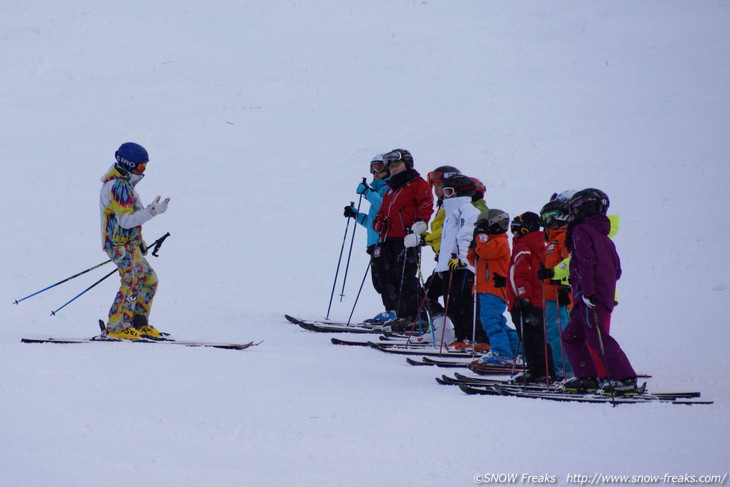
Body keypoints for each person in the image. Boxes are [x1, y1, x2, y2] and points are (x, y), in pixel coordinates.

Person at [561, 189, 637, 394]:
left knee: (596, 336)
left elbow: (586, 261)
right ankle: (587, 377)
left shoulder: (581, 231)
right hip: (597, 294)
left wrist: (588, 290)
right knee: (571, 335)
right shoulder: (604, 237)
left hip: (591, 295)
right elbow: (617, 269)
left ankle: (625, 378)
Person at [100, 142, 170, 340]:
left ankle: (138, 322)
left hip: (129, 244)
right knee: (131, 280)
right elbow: (125, 220)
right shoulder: (118, 186)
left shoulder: (126, 185)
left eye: (145, 166)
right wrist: (152, 211)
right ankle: (116, 326)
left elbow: (131, 220)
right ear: (128, 163)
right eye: (140, 166)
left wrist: (139, 240)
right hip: (118, 245)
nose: (143, 170)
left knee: (149, 280)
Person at [371, 149, 434, 330]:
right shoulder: (391, 189)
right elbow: (382, 212)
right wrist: (378, 223)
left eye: (396, 164)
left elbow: (426, 205)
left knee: (406, 277)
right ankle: (402, 315)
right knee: (390, 278)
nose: (393, 168)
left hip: (406, 238)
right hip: (388, 239)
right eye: (390, 165)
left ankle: (417, 317)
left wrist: (421, 224)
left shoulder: (417, 183)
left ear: (407, 164)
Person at [434, 175, 489, 350]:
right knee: (451, 303)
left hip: (461, 266)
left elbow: (466, 236)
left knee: (464, 302)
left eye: (449, 192)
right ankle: (461, 336)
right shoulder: (451, 213)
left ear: (461, 192)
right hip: (448, 265)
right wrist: (442, 263)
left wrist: (463, 259)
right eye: (444, 191)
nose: (445, 196)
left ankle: (476, 338)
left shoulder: (468, 210)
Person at [343, 153, 394, 324]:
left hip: (385, 242)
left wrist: (367, 192)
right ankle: (391, 311)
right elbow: (372, 222)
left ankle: (394, 311)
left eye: (379, 167)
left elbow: (383, 205)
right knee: (379, 281)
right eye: (372, 168)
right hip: (374, 243)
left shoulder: (389, 189)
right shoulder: (377, 191)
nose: (375, 172)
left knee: (387, 279)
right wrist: (356, 216)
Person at [506, 212, 555, 383]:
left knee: (530, 338)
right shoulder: (535, 243)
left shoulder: (523, 245)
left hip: (526, 301)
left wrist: (523, 296)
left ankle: (538, 372)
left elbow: (522, 273)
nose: (514, 231)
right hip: (535, 300)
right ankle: (545, 371)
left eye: (517, 226)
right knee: (536, 336)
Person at [467, 209, 519, 363]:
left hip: (495, 288)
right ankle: (517, 348)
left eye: (483, 226)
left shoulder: (500, 241)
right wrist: (473, 243)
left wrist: (481, 238)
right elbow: (473, 260)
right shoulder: (487, 242)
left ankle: (501, 352)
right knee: (497, 321)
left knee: (490, 321)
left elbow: (486, 252)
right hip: (485, 287)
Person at [537, 193, 575, 377]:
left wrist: (563, 286)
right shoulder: (552, 240)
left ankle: (566, 369)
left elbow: (570, 262)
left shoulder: (564, 237)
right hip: (549, 295)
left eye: (547, 219)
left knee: (559, 333)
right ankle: (560, 367)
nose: (545, 224)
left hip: (560, 295)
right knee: (552, 332)